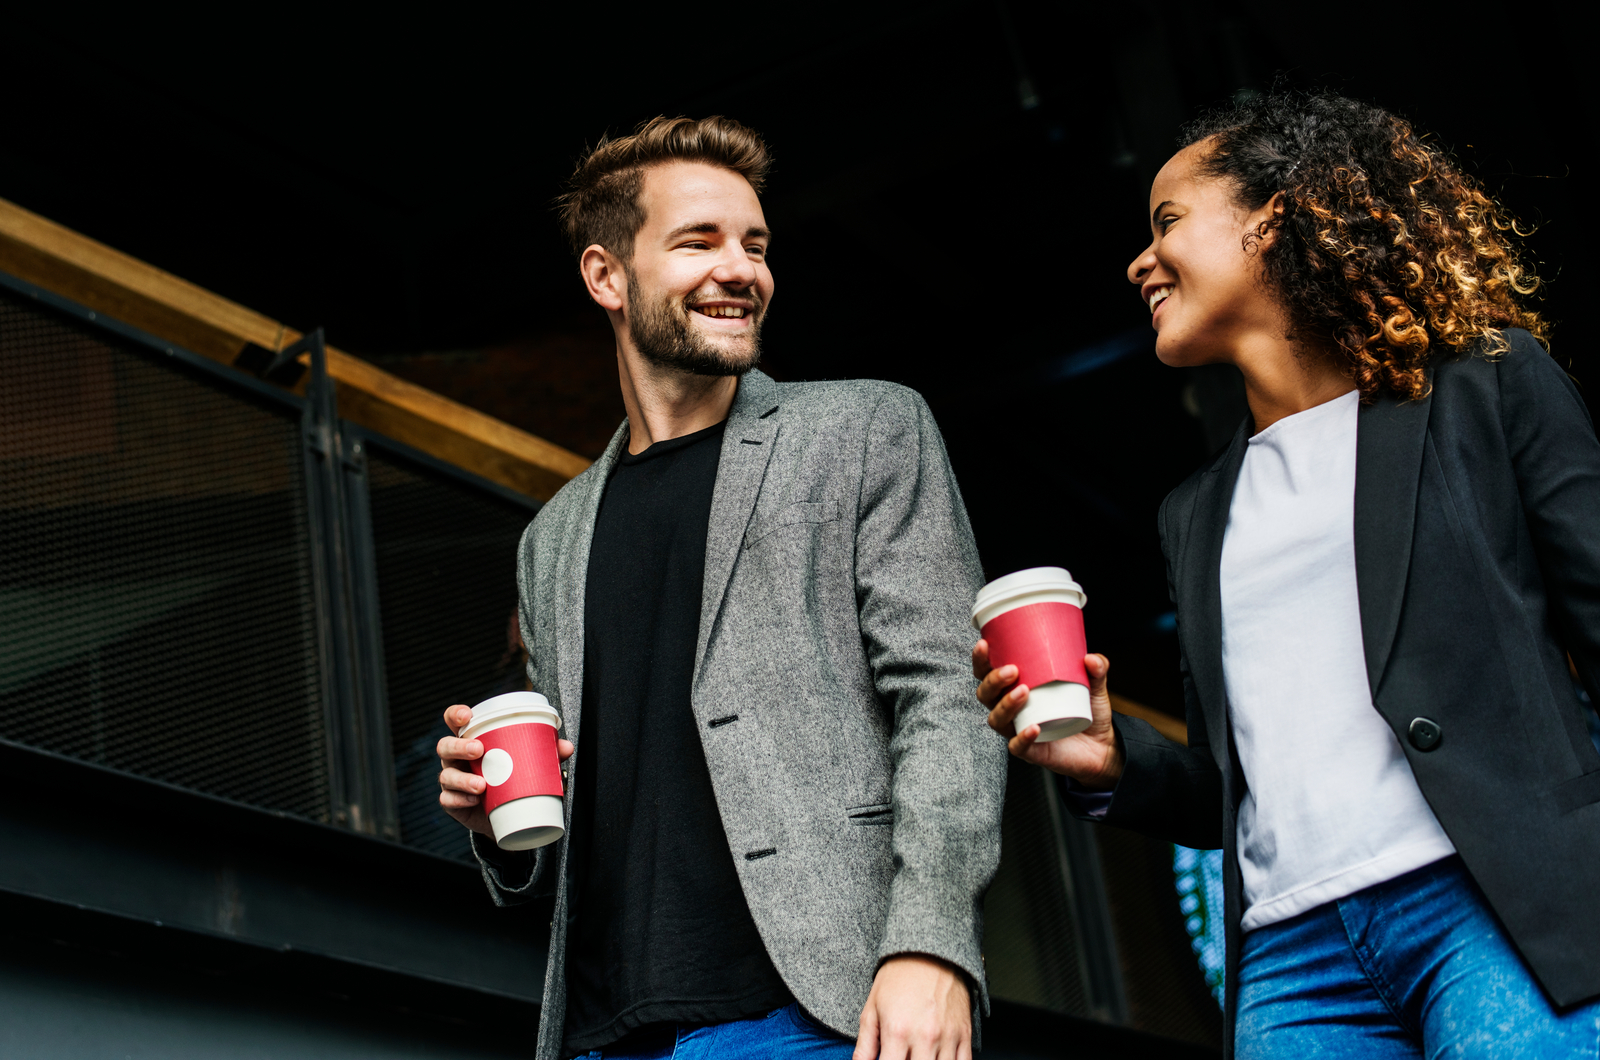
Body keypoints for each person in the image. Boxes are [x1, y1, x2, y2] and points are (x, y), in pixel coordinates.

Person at [978, 91, 1600, 1058]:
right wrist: (1111, 762)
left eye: (1168, 222)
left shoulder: (1489, 385)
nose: (1141, 261)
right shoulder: (1196, 512)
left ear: (1273, 219)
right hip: (1292, 956)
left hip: (1495, 903)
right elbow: (1237, 784)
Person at [436, 115, 1004, 1060]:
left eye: (755, 245)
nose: (742, 269)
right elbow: (580, 809)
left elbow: (949, 695)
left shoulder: (866, 428)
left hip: (820, 1011)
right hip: (598, 1030)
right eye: (698, 242)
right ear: (606, 277)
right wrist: (497, 827)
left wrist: (931, 944)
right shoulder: (552, 538)